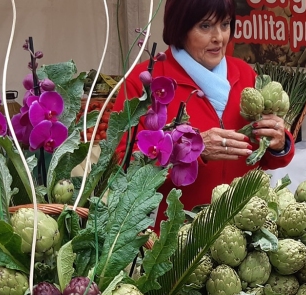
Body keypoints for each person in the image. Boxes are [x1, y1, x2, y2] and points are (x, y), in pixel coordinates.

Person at [111, 0, 294, 217]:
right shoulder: (145, 83)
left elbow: (266, 158)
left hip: (240, 228)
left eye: (225, 24)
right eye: (205, 26)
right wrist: (193, 151)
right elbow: (121, 166)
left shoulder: (245, 74)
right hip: (173, 232)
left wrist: (278, 143)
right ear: (181, 28)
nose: (219, 37)